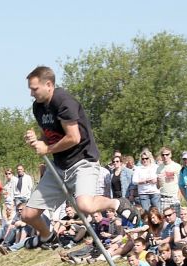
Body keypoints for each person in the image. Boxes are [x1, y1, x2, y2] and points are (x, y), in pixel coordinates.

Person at [22, 66, 128, 248]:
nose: (32, 93)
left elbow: (74, 137)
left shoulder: (64, 102)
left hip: (82, 162)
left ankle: (117, 202)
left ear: (48, 85)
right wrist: (37, 141)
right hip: (59, 166)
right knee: (28, 215)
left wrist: (46, 149)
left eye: (34, 89)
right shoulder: (38, 107)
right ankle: (48, 237)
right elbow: (49, 134)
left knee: (85, 205)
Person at [156, 148, 183, 213]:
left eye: (167, 154)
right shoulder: (159, 168)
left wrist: (179, 197)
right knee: (165, 219)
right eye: (163, 155)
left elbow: (181, 183)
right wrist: (159, 181)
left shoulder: (177, 166)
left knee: (177, 219)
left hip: (174, 197)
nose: (165, 156)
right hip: (163, 197)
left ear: (170, 155)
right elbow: (158, 186)